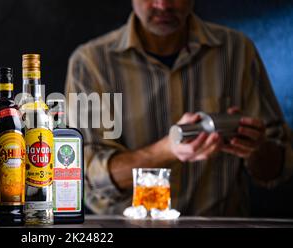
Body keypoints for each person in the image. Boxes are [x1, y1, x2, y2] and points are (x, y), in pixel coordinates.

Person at [65, 0, 293, 216]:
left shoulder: (236, 51)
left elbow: (280, 167)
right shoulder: (92, 63)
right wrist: (168, 149)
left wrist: (255, 149)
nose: (163, 5)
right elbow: (87, 178)